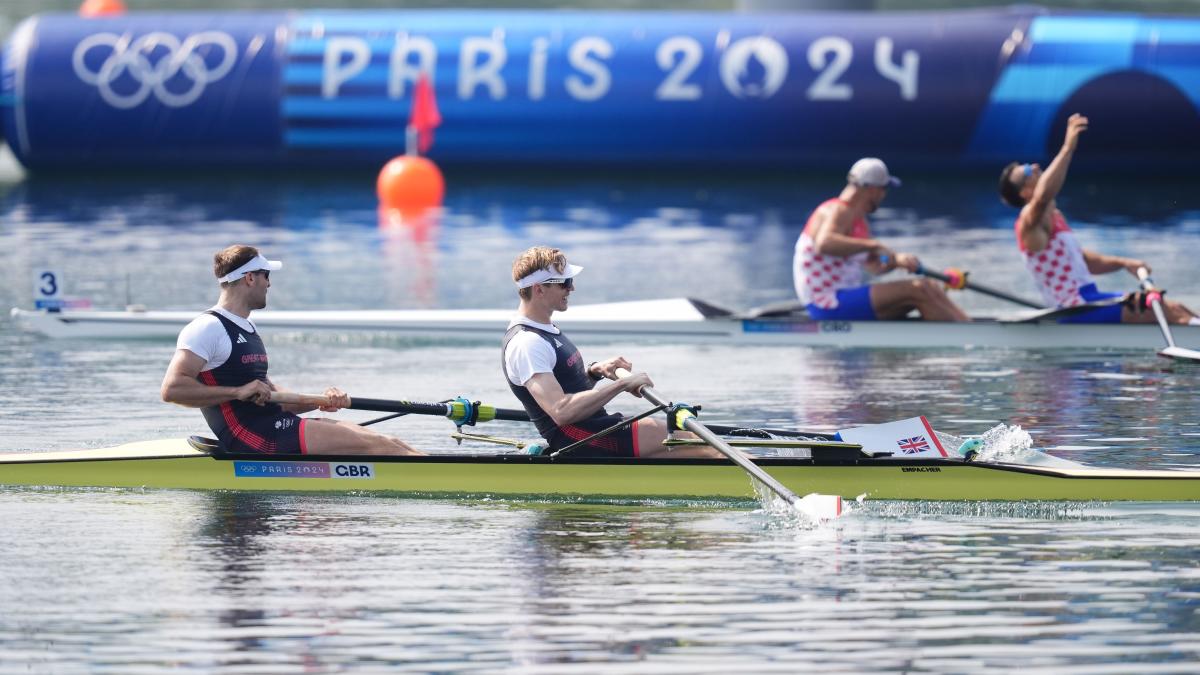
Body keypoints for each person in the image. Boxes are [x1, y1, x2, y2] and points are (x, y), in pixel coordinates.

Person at [161, 244, 421, 455]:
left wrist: (320, 400)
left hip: (275, 426)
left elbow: (273, 397)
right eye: (267, 276)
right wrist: (238, 392)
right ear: (250, 278)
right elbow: (172, 389)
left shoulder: (246, 327)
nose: (270, 284)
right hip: (255, 439)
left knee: (392, 442)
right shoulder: (208, 327)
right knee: (380, 448)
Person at [501, 246, 723, 459]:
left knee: (699, 445)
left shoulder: (544, 331)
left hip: (595, 430)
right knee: (707, 447)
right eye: (565, 283)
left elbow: (570, 392)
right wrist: (621, 384)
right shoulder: (527, 343)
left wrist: (594, 373)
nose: (572, 288)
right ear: (539, 289)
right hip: (579, 440)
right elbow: (561, 411)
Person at [1000, 114, 1199, 325]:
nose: (1036, 166)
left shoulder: (1055, 217)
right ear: (1024, 192)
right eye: (1029, 171)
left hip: (1091, 298)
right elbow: (1041, 198)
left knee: (1175, 307)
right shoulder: (1027, 223)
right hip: (1073, 309)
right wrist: (1068, 148)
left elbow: (1083, 260)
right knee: (1156, 309)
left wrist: (1124, 263)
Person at [793, 158, 968, 322]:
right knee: (918, 289)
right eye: (884, 189)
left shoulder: (859, 222)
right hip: (826, 302)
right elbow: (825, 243)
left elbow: (874, 266)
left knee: (929, 286)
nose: (884, 195)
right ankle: (970, 337)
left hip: (845, 298)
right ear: (872, 189)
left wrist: (896, 261)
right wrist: (875, 245)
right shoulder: (836, 210)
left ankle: (968, 327)